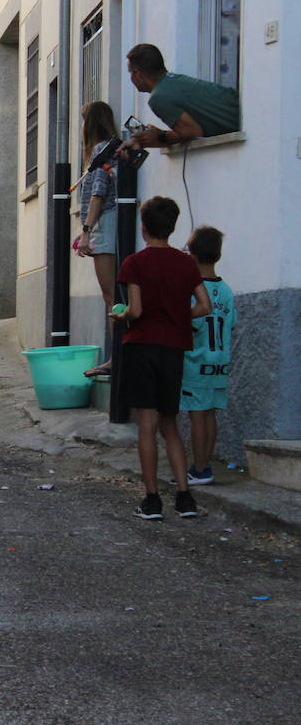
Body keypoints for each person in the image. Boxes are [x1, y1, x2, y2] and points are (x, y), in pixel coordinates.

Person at [111, 196, 212, 520]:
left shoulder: (134, 263)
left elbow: (136, 310)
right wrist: (180, 317)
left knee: (146, 424)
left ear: (143, 228)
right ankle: (185, 497)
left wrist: (120, 315)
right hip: (173, 349)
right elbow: (204, 305)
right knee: (170, 424)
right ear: (172, 227)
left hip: (142, 346)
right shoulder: (186, 263)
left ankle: (152, 499)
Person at [180, 225, 235, 486]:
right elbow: (230, 324)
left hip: (196, 361)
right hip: (220, 362)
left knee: (197, 415)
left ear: (192, 255)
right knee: (210, 413)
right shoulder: (226, 291)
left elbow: (192, 324)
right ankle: (205, 464)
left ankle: (200, 468)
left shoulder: (193, 290)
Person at [76, 101, 121, 376]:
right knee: (113, 295)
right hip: (109, 222)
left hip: (104, 224)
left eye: (83, 120)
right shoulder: (112, 149)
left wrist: (86, 230)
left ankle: (118, 357)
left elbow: (98, 193)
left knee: (111, 296)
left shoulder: (100, 150)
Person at [124, 43, 241, 149]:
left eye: (130, 73)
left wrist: (161, 136)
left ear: (137, 73)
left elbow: (193, 133)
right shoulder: (173, 81)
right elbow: (189, 130)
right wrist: (160, 135)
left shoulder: (159, 97)